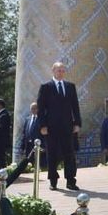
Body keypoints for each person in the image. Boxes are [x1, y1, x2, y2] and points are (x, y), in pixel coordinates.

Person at [36, 61, 82, 191]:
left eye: (63, 70)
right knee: (53, 154)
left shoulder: (70, 86)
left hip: (68, 127)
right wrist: (43, 125)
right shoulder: (46, 87)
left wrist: (77, 123)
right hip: (51, 128)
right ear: (53, 71)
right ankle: (53, 181)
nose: (61, 73)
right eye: (59, 70)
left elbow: (75, 106)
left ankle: (71, 181)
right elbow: (40, 109)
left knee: (70, 154)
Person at [20, 102, 44, 166]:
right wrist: (22, 146)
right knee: (29, 163)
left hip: (38, 146)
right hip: (28, 145)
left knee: (38, 163)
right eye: (32, 108)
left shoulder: (41, 119)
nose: (33, 110)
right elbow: (24, 133)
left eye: (35, 108)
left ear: (38, 109)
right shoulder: (28, 119)